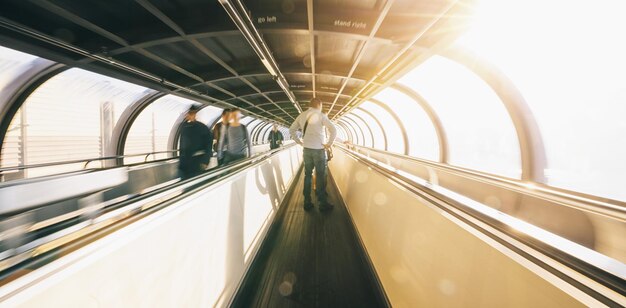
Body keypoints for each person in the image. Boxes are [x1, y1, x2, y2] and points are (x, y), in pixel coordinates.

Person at [289, 98, 337, 211]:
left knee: (308, 175)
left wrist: (299, 142)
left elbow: (291, 130)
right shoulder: (321, 116)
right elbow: (333, 130)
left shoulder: (302, 115)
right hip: (319, 150)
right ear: (319, 105)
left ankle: (307, 202)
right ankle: (322, 204)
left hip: (306, 150)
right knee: (320, 176)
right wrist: (328, 144)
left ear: (310, 105)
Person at [178, 105, 212, 179]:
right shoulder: (184, 126)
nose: (189, 115)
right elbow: (181, 145)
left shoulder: (202, 127)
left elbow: (209, 145)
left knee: (195, 182)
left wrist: (205, 161)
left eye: (192, 113)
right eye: (189, 113)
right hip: (184, 163)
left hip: (196, 163)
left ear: (195, 114)